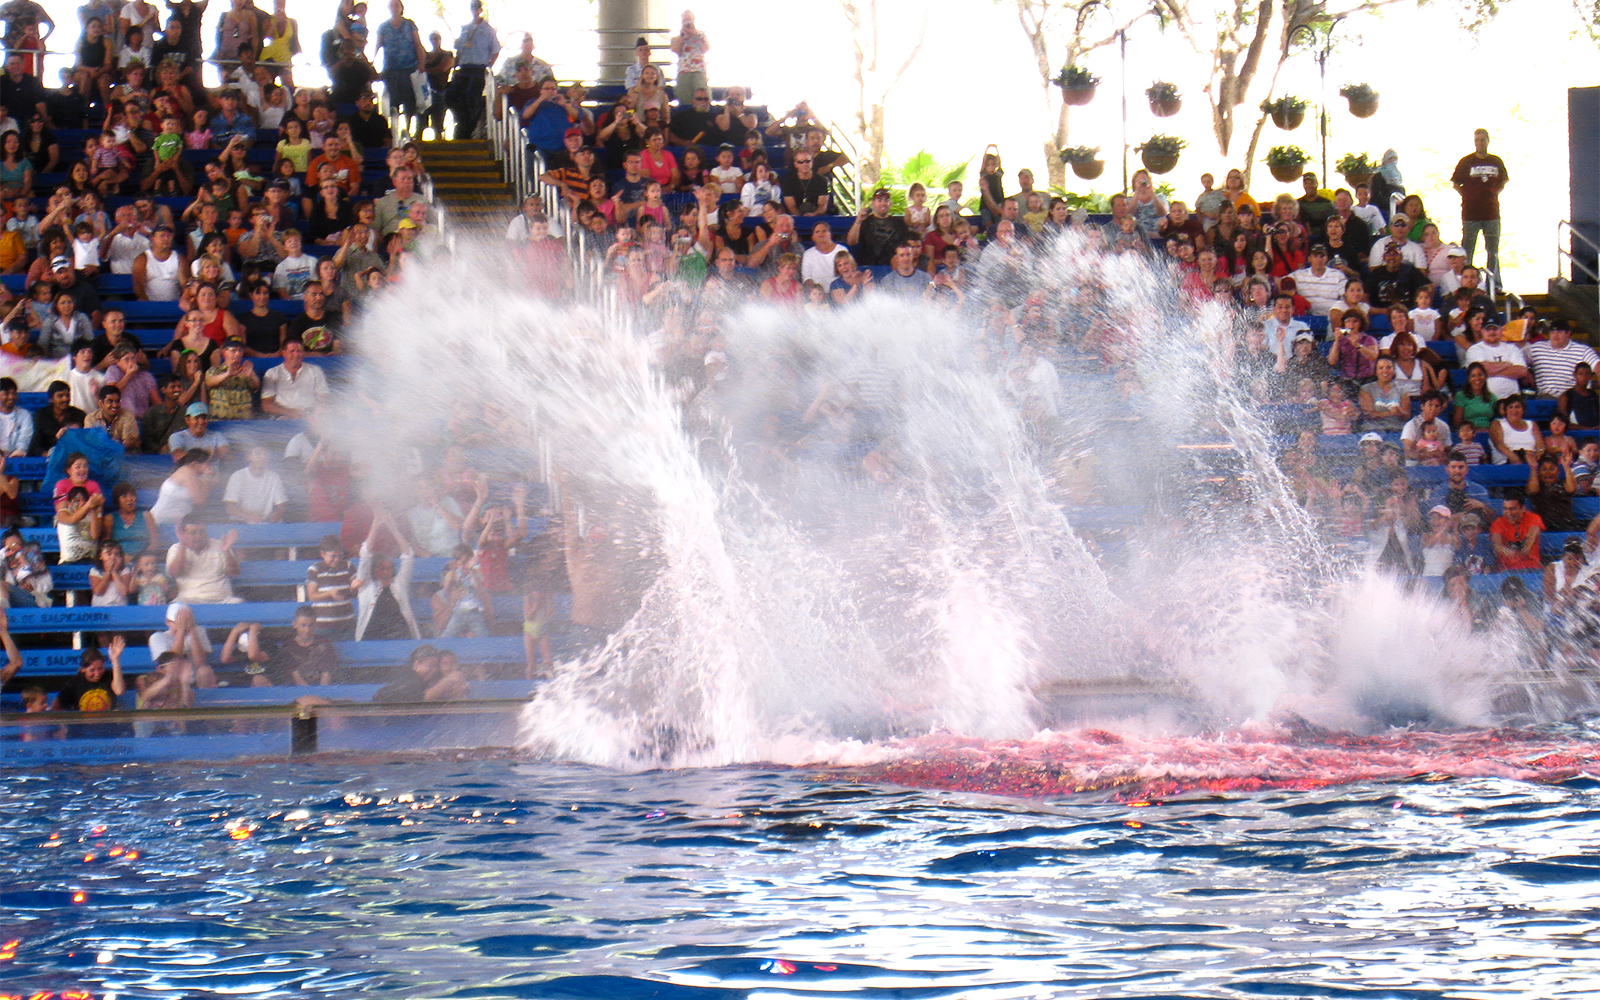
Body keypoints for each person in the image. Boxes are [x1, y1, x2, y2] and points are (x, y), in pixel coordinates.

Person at [354, 507, 421, 641]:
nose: (385, 572)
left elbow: (408, 556)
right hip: (371, 638)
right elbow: (365, 554)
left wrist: (393, 529)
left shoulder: (399, 584)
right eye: (381, 568)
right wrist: (375, 525)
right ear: (374, 571)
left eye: (389, 568)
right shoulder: (366, 586)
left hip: (400, 636)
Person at [1451, 129, 1509, 286]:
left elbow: (1504, 180)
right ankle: (1465, 281)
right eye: (1477, 140)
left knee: (1493, 251)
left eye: (1483, 140)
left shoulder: (1496, 161)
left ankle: (1494, 283)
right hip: (1470, 214)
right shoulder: (1466, 162)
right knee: (1467, 250)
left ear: (1488, 141)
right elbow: (1455, 183)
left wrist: (1494, 191)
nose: (1480, 143)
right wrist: (1466, 195)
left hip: (1491, 213)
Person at [448, 0, 499, 140]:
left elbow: (495, 51)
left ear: (480, 10)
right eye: (472, 8)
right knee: (454, 99)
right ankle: (461, 127)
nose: (474, 10)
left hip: (478, 70)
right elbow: (458, 50)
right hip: (463, 69)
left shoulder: (488, 30)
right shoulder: (465, 28)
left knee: (473, 101)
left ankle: (466, 133)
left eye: (476, 8)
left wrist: (488, 67)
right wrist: (454, 67)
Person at [167, 516, 240, 603]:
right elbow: (174, 573)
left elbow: (234, 573)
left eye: (202, 532)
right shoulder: (176, 549)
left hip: (222, 599)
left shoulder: (220, 545)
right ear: (183, 534)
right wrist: (183, 545)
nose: (198, 537)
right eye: (193, 533)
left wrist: (226, 551)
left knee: (238, 603)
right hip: (188, 600)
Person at [1525, 321, 1600, 399]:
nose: (1555, 336)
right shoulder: (1536, 348)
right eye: (1552, 332)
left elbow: (1597, 365)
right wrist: (1526, 373)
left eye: (1559, 332)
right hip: (1544, 397)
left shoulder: (1583, 350)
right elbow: (1520, 361)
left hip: (1572, 397)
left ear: (1568, 333)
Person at [261, 338, 331, 417]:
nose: (296, 355)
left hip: (309, 415)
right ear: (284, 353)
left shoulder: (315, 371)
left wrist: (315, 414)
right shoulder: (272, 373)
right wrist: (291, 413)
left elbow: (323, 398)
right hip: (282, 416)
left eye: (299, 351)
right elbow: (267, 405)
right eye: (292, 351)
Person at [53, 639, 127, 711]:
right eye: (92, 670)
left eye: (100, 668)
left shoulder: (108, 677)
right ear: (83, 669)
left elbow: (119, 691)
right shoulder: (74, 684)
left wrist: (115, 660)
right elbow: (55, 707)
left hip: (106, 722)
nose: (97, 674)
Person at [306, 532, 356, 639]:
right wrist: (329, 594)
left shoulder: (348, 566)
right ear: (322, 554)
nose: (337, 559)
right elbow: (312, 596)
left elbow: (355, 590)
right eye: (333, 556)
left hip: (346, 625)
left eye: (339, 556)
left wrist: (355, 586)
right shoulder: (315, 569)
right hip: (322, 626)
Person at [1463, 321, 1528, 401]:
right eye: (1488, 329)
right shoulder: (1474, 349)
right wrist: (1506, 364)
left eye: (1495, 329)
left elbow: (1522, 371)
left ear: (1501, 330)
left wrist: (1491, 370)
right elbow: (1481, 370)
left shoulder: (1512, 348)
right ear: (1482, 331)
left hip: (1512, 400)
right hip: (1485, 400)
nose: (1492, 332)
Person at [224, 445, 288, 523]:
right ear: (248, 457)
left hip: (266, 522)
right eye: (258, 454)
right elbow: (230, 508)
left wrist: (274, 516)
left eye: (265, 454)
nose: (262, 457)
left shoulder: (274, 478)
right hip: (241, 522)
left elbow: (281, 506)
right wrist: (249, 517)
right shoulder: (237, 476)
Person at [1490, 494, 1543, 572]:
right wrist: (1506, 551)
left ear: (1523, 508)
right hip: (1508, 569)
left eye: (1513, 509)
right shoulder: (1498, 523)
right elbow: (1497, 545)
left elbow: (1532, 535)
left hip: (1532, 567)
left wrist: (1524, 549)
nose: (1509, 513)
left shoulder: (1533, 518)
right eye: (1506, 509)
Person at [1488, 396, 1543, 465]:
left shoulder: (1531, 423)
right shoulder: (1498, 423)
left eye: (1517, 407)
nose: (1514, 410)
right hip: (1508, 461)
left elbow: (1539, 442)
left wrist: (1539, 453)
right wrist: (1515, 458)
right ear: (1506, 410)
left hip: (1532, 458)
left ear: (1523, 410)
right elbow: (1499, 444)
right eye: (1510, 407)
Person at [668, 10, 708, 98]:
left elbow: (706, 48)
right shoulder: (677, 38)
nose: (687, 22)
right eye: (685, 20)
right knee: (684, 96)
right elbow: (675, 49)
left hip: (698, 71)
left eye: (689, 20)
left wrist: (695, 34)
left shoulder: (701, 35)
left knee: (701, 95)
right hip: (684, 71)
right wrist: (683, 36)